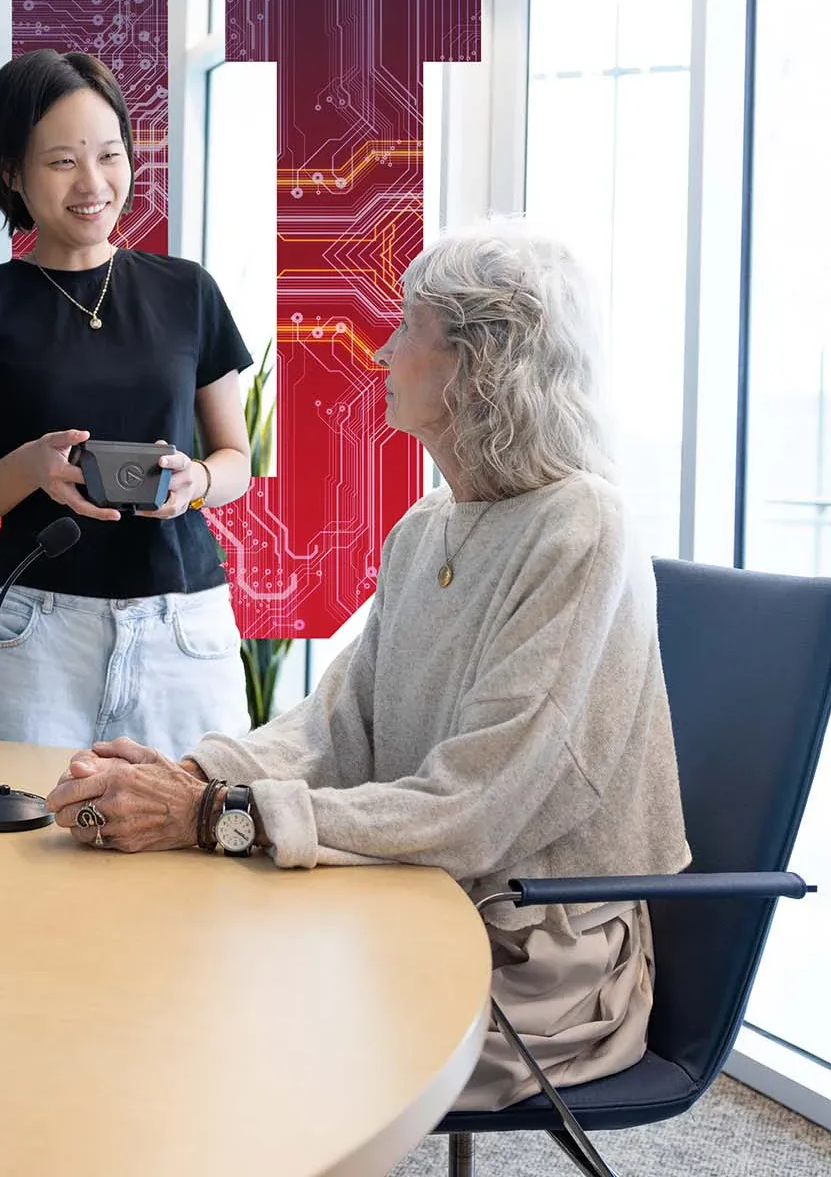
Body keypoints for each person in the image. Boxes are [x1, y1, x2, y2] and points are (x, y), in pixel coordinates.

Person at [43, 226, 691, 1111]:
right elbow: (335, 725)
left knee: (205, 1017)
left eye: (409, 326)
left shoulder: (581, 527)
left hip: (538, 954)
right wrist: (194, 776)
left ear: (478, 360)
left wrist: (211, 817)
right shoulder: (428, 526)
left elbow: (476, 806)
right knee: (161, 957)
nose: (383, 350)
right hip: (423, 902)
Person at [0, 49, 253, 756]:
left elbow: (236, 461)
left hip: (181, 628)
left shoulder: (188, 292)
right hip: (37, 636)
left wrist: (197, 481)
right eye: (62, 162)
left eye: (109, 154)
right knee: (17, 857)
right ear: (12, 171)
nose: (93, 184)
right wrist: (31, 468)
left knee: (194, 854)